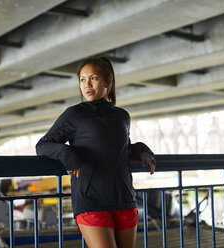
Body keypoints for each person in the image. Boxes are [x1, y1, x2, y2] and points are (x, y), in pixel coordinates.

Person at [36, 56, 156, 248]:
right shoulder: (74, 114)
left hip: (124, 200)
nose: (87, 84)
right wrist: (68, 155)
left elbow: (122, 148)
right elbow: (43, 144)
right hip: (92, 203)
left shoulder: (122, 116)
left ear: (108, 82)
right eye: (82, 79)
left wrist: (141, 150)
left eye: (93, 78)